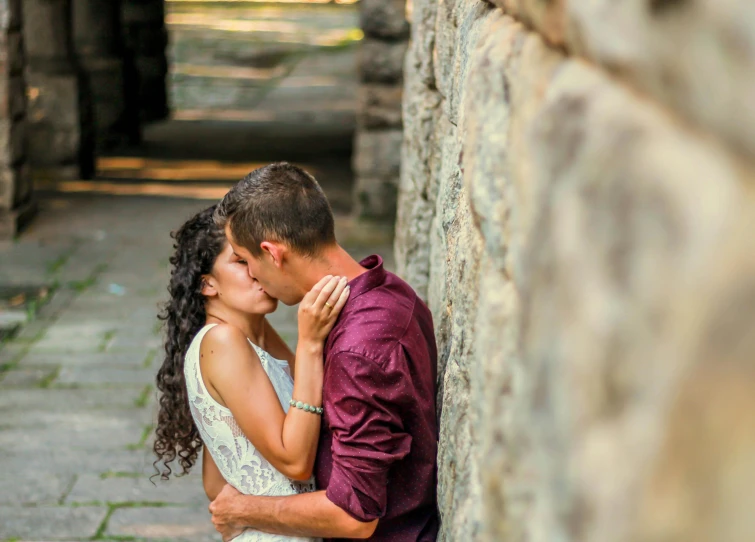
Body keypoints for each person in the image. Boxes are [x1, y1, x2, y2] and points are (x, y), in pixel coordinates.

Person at [209, 162, 439, 541]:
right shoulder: (391, 289)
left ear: (273, 253)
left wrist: (243, 510)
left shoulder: (358, 350)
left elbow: (353, 516)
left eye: (246, 261)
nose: (251, 276)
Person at [153, 205, 350, 542]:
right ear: (208, 285)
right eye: (240, 261)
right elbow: (295, 462)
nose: (256, 270)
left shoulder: (256, 335)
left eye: (255, 255)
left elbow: (216, 482)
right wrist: (311, 344)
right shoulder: (223, 341)